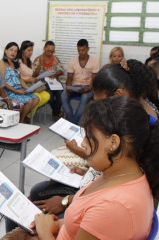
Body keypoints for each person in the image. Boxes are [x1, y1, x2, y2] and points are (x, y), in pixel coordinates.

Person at [28, 60, 159, 222]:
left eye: (100, 102)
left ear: (119, 95)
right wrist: (90, 172)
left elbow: (114, 189)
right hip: (103, 185)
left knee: (36, 196)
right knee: (39, 191)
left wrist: (65, 201)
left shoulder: (135, 130)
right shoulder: (142, 110)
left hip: (107, 203)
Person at [30, 96, 157, 239]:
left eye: (89, 138)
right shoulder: (119, 173)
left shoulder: (114, 206)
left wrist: (44, 231)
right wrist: (61, 223)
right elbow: (85, 224)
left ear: (113, 143)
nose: (83, 144)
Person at [61, 39, 100, 124]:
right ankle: (73, 120)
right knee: (63, 95)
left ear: (88, 49)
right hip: (75, 87)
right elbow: (69, 78)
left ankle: (72, 123)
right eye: (79, 50)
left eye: (83, 50)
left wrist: (89, 88)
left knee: (85, 97)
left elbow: (94, 80)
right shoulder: (72, 61)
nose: (81, 52)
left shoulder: (94, 61)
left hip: (88, 87)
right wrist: (68, 87)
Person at [0, 42, 39, 123]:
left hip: (18, 89)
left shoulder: (15, 63)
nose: (13, 52)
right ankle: (21, 121)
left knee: (36, 99)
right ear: (6, 50)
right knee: (29, 101)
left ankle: (21, 118)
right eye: (11, 50)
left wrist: (28, 88)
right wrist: (16, 91)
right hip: (9, 91)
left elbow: (20, 79)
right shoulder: (2, 63)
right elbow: (2, 82)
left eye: (15, 51)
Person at [17, 40, 50, 120]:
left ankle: (28, 114)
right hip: (23, 85)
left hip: (32, 84)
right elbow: (26, 74)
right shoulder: (19, 62)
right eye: (29, 50)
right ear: (23, 50)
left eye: (31, 50)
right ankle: (25, 117)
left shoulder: (29, 61)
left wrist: (40, 67)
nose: (30, 53)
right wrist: (31, 79)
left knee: (47, 95)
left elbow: (34, 74)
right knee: (37, 98)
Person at [33, 41, 64, 121]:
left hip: (54, 82)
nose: (50, 53)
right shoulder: (38, 59)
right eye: (48, 51)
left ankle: (55, 113)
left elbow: (61, 71)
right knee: (49, 95)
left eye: (52, 51)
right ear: (44, 48)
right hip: (43, 84)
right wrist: (40, 65)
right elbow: (34, 75)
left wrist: (55, 75)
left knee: (60, 94)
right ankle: (57, 113)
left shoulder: (55, 59)